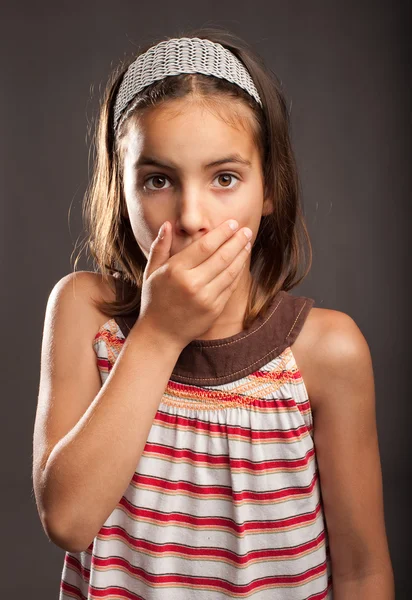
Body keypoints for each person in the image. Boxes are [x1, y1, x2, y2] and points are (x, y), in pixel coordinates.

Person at [32, 26, 394, 599]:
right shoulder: (85, 313)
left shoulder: (328, 353)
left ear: (269, 187)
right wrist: (157, 334)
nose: (193, 216)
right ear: (120, 190)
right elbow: (69, 521)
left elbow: (362, 571)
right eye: (157, 180)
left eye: (225, 178)